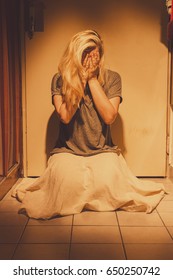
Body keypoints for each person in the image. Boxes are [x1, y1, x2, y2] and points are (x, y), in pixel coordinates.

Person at [13, 30, 165, 219]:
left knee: (109, 183)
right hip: (67, 150)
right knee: (65, 183)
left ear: (101, 56)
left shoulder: (112, 78)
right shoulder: (59, 79)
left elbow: (109, 117)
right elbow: (65, 117)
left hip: (103, 149)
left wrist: (92, 79)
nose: (91, 60)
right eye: (85, 54)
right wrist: (80, 79)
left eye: (95, 55)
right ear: (76, 55)